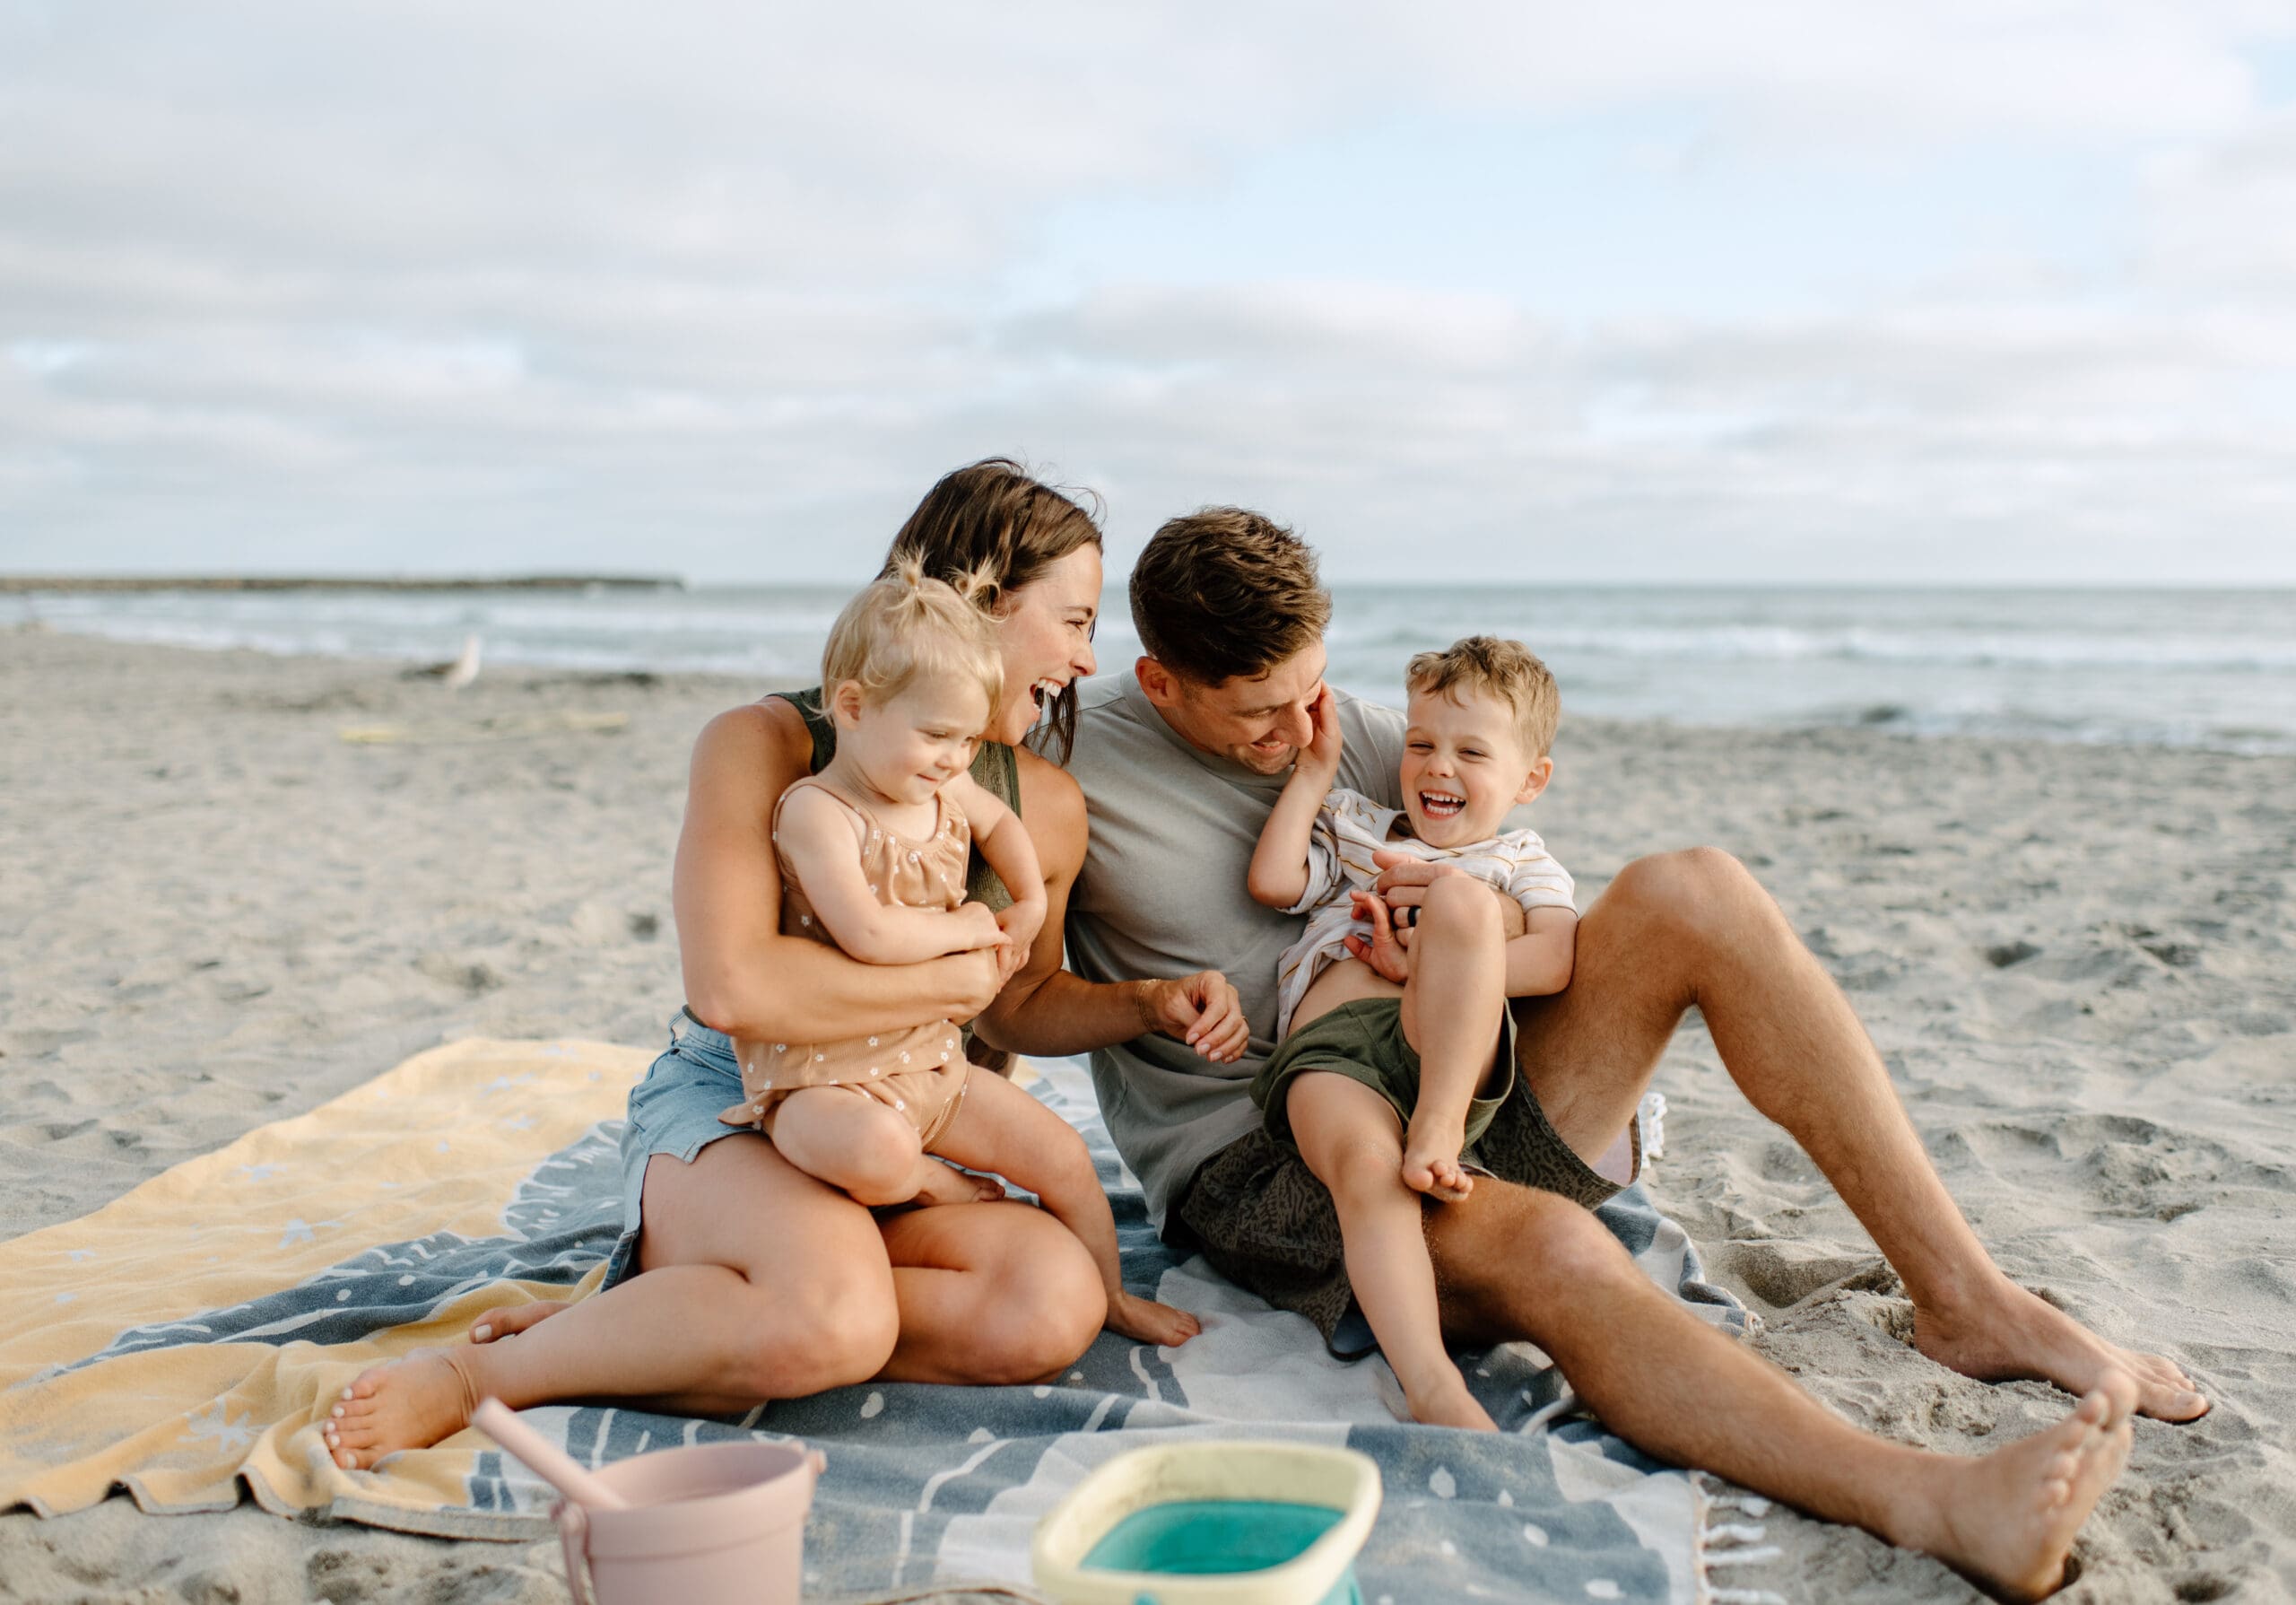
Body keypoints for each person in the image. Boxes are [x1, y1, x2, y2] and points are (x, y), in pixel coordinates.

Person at [1061, 507, 2208, 1601]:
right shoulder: (1067, 766)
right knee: (1557, 1240)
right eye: (1259, 713)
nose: (1298, 730)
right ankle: (1937, 1502)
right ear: (1158, 679)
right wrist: (1146, 1003)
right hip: (1276, 1155)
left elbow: (1503, 871)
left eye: (1310, 687)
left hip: (1455, 1069)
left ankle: (1969, 1300)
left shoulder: (1347, 728)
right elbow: (1004, 1007)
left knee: (1691, 887)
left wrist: (1461, 939)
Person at [322, 461, 1243, 1472]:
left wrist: (1146, 1003)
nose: (1083, 656)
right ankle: (485, 1374)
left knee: (1050, 1306)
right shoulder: (767, 745)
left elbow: (1015, 1002)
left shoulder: (1042, 803)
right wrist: (936, 981)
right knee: (837, 1323)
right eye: (1072, 620)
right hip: (752, 1098)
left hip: (909, 1108)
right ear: (983, 602)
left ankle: (705, 1303)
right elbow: (735, 988)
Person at [735, 561, 1201, 1344]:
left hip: (928, 1062)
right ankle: (932, 1182)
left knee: (1061, 1155)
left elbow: (1003, 828)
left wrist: (1030, 902)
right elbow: (870, 935)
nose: (955, 757)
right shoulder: (820, 812)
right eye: (936, 735)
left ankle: (1114, 1297)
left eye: (963, 736)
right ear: (852, 707)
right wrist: (970, 931)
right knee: (879, 1152)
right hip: (826, 1077)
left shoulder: (943, 787)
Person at [1244, 636, 1575, 1428]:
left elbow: (1557, 959)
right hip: (1332, 1059)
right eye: (1421, 743)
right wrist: (1316, 775)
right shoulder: (1357, 826)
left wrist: (1429, 961)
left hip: (1442, 1051)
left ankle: (1438, 1127)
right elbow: (1273, 881)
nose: (1437, 767)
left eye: (1471, 752)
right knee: (1369, 1171)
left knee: (1460, 901)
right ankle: (1432, 1383)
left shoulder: (1522, 860)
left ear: (1531, 779)